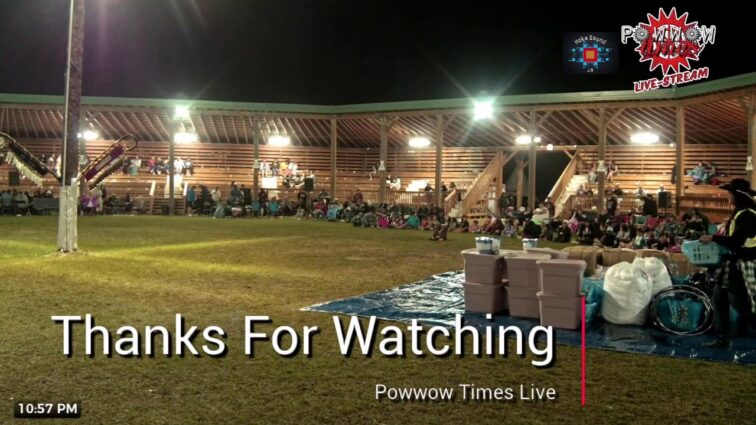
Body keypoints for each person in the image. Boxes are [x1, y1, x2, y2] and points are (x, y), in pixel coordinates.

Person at [700, 178, 756, 348]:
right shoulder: (739, 213)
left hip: (741, 264)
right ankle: (722, 338)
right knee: (719, 299)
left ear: (738, 196)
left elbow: (736, 241)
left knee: (742, 305)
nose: (728, 197)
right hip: (732, 264)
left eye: (730, 193)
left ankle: (725, 337)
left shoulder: (747, 215)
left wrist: (713, 237)